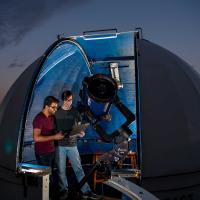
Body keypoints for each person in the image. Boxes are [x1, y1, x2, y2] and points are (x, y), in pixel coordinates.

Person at [55, 90, 102, 200]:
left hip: (72, 145)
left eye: (71, 100)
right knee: (61, 170)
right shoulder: (57, 112)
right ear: (63, 100)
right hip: (60, 145)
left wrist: (81, 133)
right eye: (67, 100)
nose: (70, 102)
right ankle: (64, 190)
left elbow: (79, 126)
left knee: (78, 169)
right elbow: (54, 129)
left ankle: (86, 191)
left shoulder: (75, 112)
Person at [33, 95, 64, 168]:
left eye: (56, 107)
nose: (55, 109)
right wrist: (55, 137)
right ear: (46, 107)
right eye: (53, 107)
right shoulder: (39, 118)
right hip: (43, 153)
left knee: (51, 175)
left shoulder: (51, 117)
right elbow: (36, 138)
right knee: (45, 178)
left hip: (51, 151)